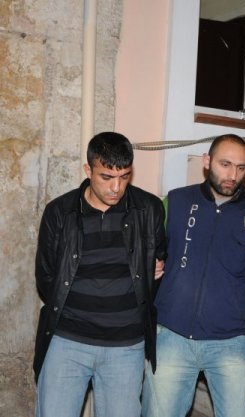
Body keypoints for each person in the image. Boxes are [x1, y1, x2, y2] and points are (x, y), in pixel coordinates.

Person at [142, 134, 245, 417]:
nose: (232, 175)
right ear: (207, 162)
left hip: (229, 340)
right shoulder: (176, 201)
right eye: (225, 164)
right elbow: (148, 247)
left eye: (241, 167)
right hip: (171, 333)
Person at [33, 132, 166, 417]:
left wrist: (155, 268)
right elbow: (45, 276)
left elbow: (158, 259)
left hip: (126, 347)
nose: (116, 187)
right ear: (88, 170)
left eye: (124, 176)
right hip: (67, 342)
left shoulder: (149, 209)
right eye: (106, 177)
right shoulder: (60, 212)